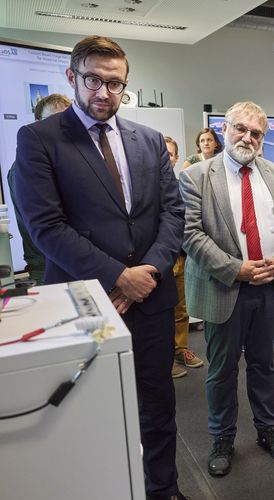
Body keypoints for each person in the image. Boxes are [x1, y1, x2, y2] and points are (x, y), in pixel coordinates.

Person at [14, 36, 187, 500]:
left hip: (149, 301)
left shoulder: (148, 141)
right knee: (90, 411)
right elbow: (46, 227)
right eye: (94, 80)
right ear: (73, 78)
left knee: (158, 407)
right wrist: (118, 276)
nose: (103, 93)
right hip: (85, 300)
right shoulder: (39, 140)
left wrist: (143, 275)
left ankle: (164, 489)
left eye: (115, 84)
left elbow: (173, 215)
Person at [179, 101, 274, 478]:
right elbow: (190, 233)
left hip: (269, 288)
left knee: (265, 365)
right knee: (221, 370)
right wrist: (236, 270)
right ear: (224, 129)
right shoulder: (196, 176)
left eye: (256, 133)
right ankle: (222, 437)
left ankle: (267, 429)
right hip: (224, 288)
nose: (247, 137)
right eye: (240, 129)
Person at [6, 93, 72, 284]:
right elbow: (49, 225)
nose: (60, 128)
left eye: (66, 121)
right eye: (53, 121)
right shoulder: (24, 168)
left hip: (73, 266)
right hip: (48, 269)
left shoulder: (64, 162)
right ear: (37, 123)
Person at [164, 136, 204, 379]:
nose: (166, 157)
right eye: (163, 153)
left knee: (182, 309)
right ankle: (165, 357)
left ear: (177, 158)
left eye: (170, 154)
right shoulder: (144, 185)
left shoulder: (183, 183)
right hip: (160, 260)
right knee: (162, 312)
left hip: (181, 256)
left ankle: (182, 350)